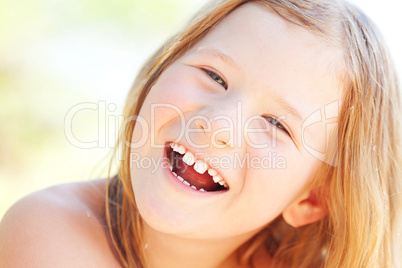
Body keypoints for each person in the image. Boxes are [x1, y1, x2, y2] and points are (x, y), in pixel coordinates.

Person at [1, 0, 401, 267]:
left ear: (311, 199)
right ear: (162, 69)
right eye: (214, 75)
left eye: (276, 124)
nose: (218, 125)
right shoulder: (50, 233)